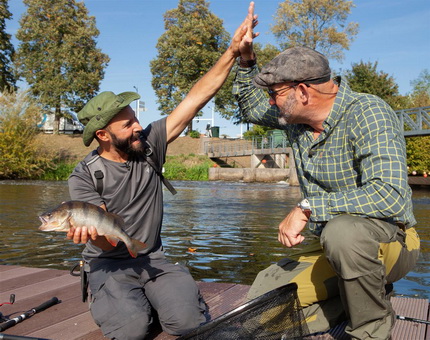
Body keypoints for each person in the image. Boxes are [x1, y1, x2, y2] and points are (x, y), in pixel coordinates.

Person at [66, 3, 258, 339]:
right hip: (109, 264)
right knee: (132, 330)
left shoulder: (150, 145)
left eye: (136, 118)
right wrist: (89, 231)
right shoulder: (85, 174)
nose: (139, 126)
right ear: (103, 135)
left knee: (185, 324)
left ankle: (162, 295)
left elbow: (196, 97)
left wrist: (231, 52)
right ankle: (125, 301)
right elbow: (98, 223)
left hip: (154, 257)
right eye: (128, 124)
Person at [233, 32, 420, 339]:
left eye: (276, 93)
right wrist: (246, 59)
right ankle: (358, 299)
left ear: (303, 91)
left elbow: (392, 197)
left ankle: (370, 331)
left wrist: (307, 207)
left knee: (342, 232)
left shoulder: (368, 112)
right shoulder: (294, 120)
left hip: (393, 241)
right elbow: (251, 107)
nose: (270, 101)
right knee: (260, 314)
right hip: (330, 246)